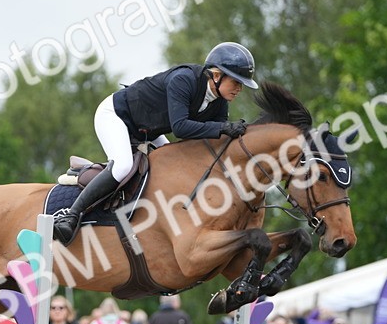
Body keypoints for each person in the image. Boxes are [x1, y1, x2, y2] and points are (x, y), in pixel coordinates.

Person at [52, 42, 260, 244]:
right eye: (236, 82)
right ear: (216, 75)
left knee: (176, 169)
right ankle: (71, 216)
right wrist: (224, 129)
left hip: (149, 129)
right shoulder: (184, 80)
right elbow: (180, 128)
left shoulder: (219, 102)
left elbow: (212, 140)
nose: (239, 89)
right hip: (117, 116)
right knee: (123, 166)